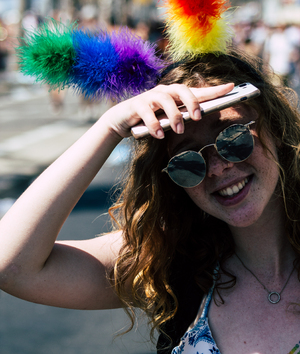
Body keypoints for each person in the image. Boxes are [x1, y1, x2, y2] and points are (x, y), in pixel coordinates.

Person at [1, 48, 300, 354]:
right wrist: (111, 126)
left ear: (274, 128)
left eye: (233, 137)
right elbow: (12, 266)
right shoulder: (168, 259)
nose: (216, 167)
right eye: (187, 159)